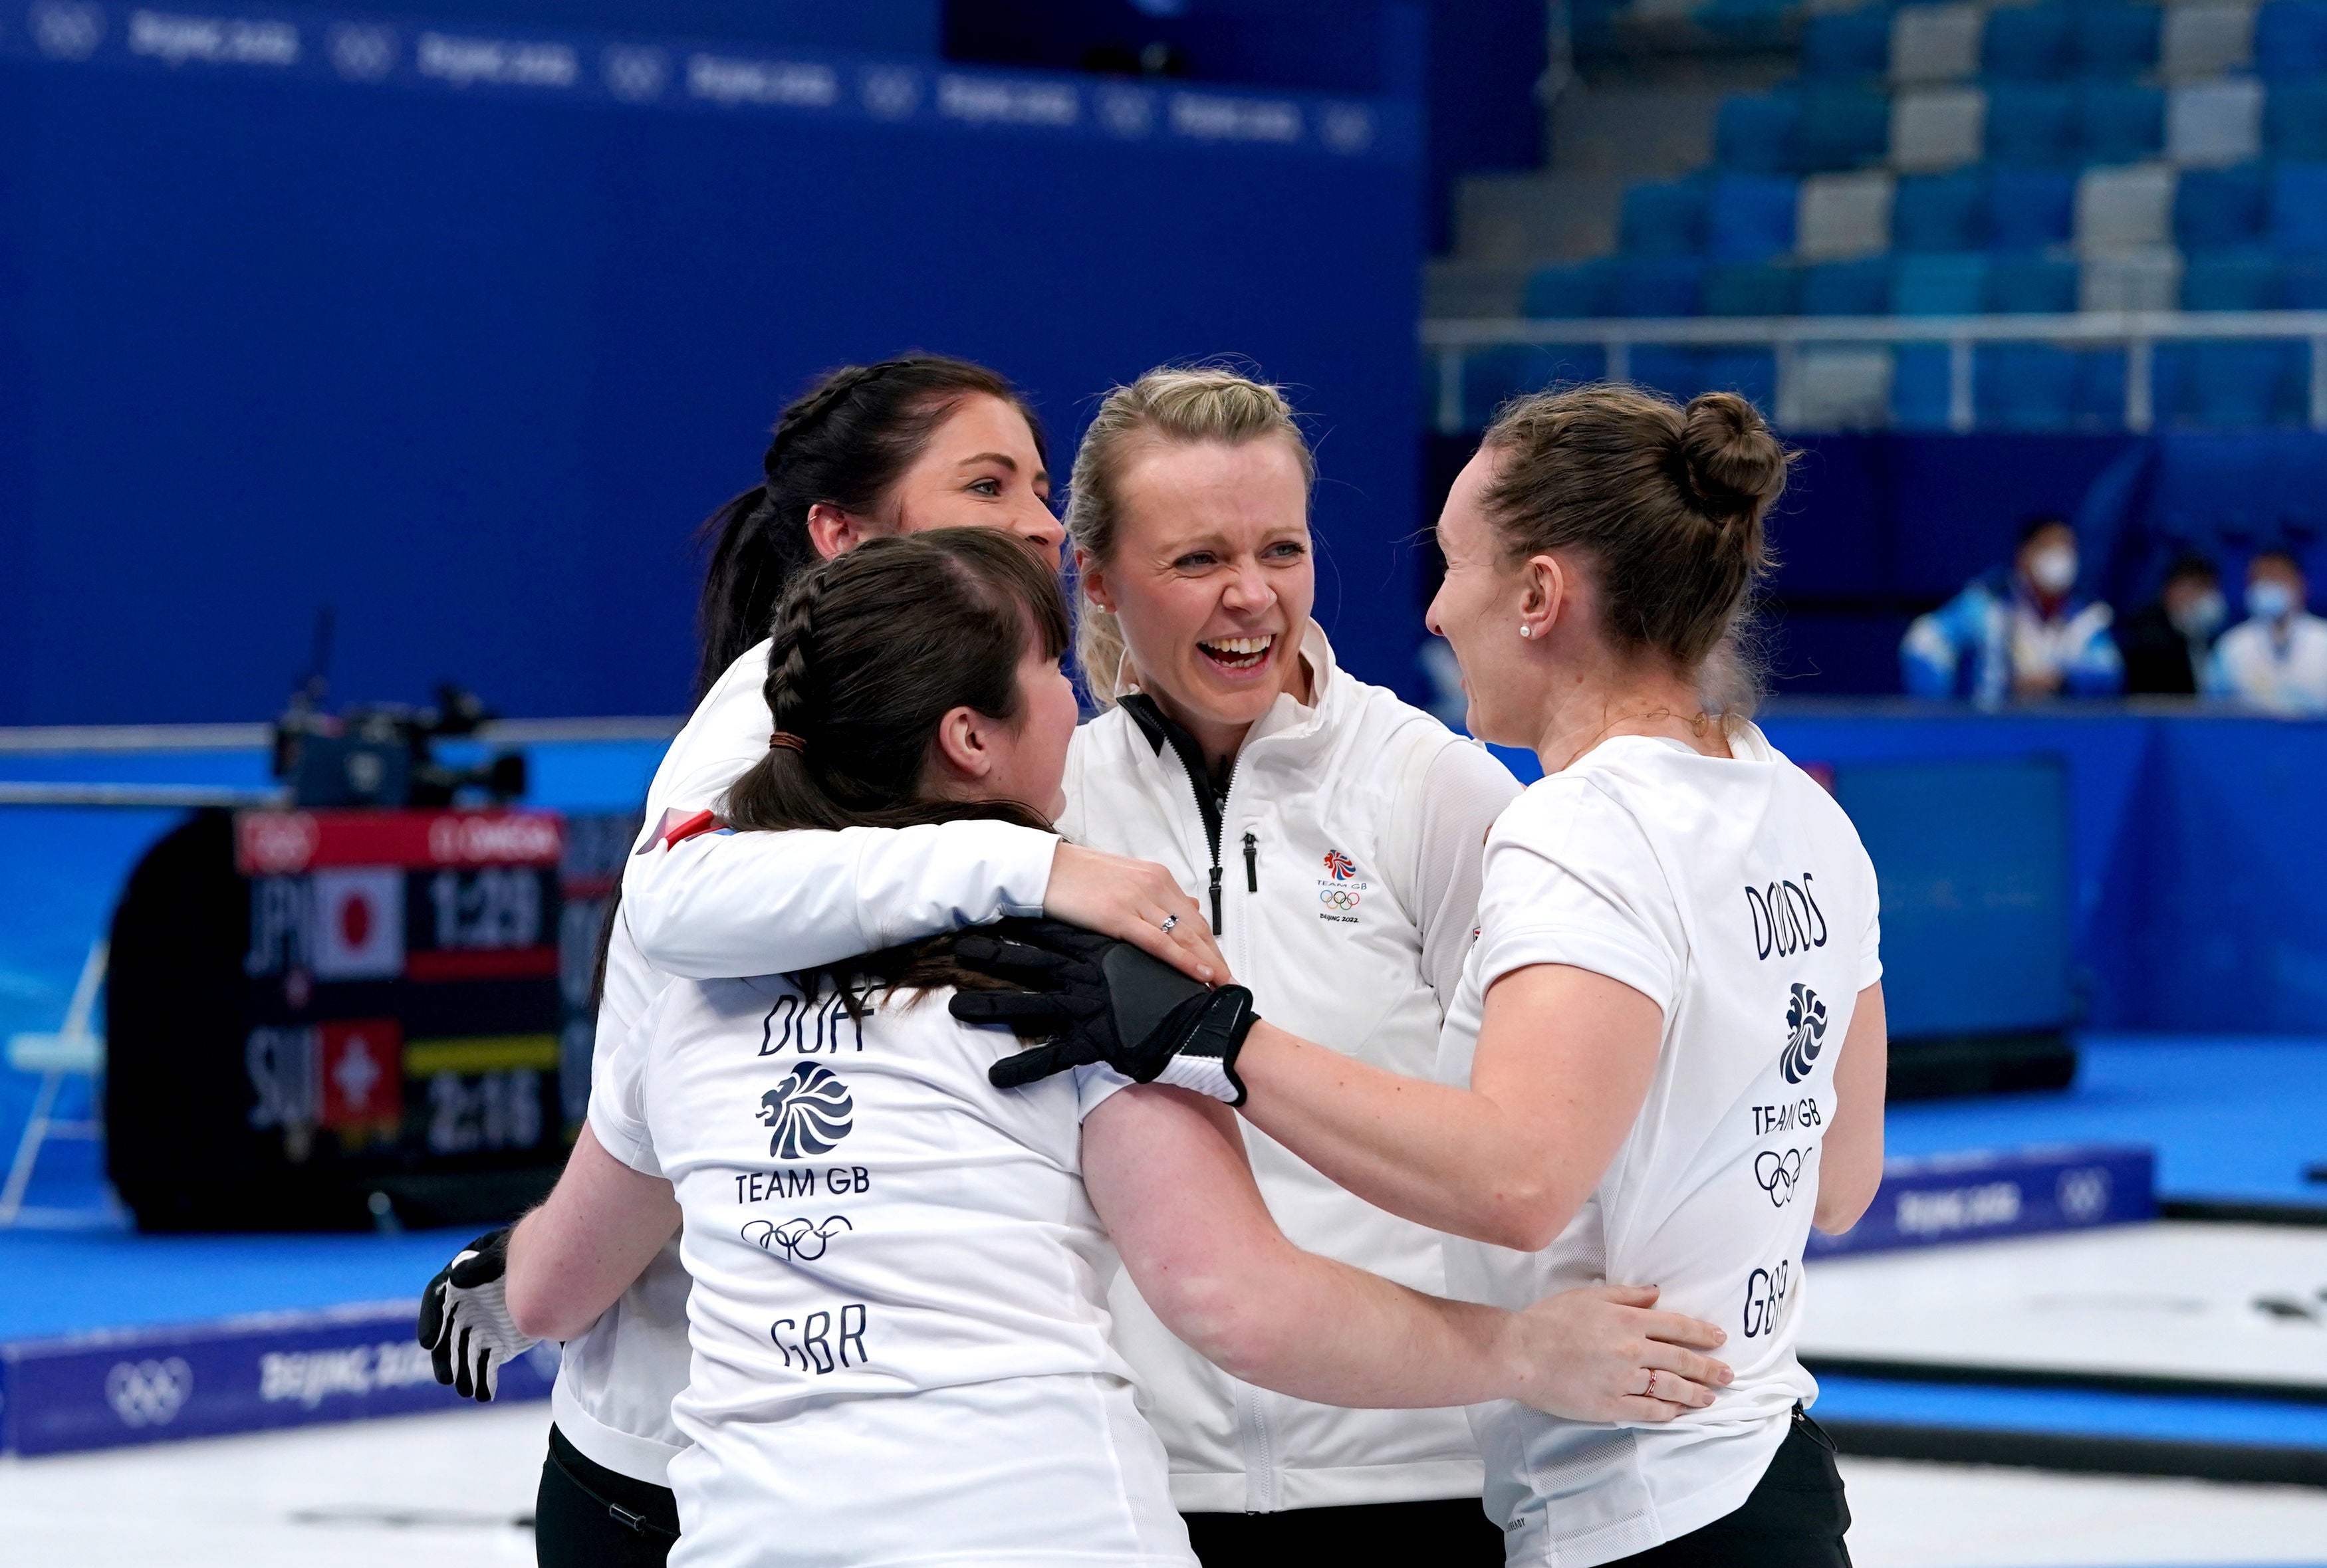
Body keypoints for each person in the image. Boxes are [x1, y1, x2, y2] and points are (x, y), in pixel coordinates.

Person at [496, 530, 1735, 1568]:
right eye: (1050, 671)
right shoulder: (1085, 973)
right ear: (973, 738)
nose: (1077, 701)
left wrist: (492, 1269)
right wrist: (1523, 1350)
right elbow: (1230, 1297)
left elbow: (554, 1285)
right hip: (1049, 1523)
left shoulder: (690, 976)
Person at [598, 366, 1546, 1561]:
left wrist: (1543, 1358)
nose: (1253, 596)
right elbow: (689, 901)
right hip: (1149, 1472)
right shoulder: (1032, 814)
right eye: (1198, 559)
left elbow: (1523, 1145)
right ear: (1093, 576)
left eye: (1284, 549)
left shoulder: (1432, 786)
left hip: (1417, 1465)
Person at [963, 387, 1889, 1567]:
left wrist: (1214, 1035)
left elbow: (1518, 1178)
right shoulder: (1802, 810)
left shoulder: (1548, 821)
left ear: (1542, 595)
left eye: (1453, 568)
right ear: (1098, 579)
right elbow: (1840, 1174)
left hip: (1601, 1481)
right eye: (1197, 557)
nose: (1439, 610)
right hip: (1739, 1462)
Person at [418, 354, 1224, 1568]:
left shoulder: (985, 762)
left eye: (1043, 486)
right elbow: (677, 906)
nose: (1042, 521)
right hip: (691, 1454)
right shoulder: (763, 718)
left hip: (789, 1455)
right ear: (843, 536)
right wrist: (1038, 874)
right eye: (988, 485)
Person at [1901, 514, 2124, 703]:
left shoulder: (2087, 616)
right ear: (2023, 555)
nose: (2060, 557)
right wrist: (1937, 710)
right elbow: (1924, 642)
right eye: (2049, 547)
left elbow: (2109, 672)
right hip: (1993, 734)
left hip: (2066, 738)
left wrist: (2060, 681)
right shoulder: (1985, 606)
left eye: (2067, 548)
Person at [2207, 549, 2327, 714]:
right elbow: (2213, 713)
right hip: (2249, 737)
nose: (2269, 586)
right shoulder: (2231, 646)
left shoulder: (2323, 640)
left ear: (2301, 584)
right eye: (2261, 579)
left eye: (2277, 578)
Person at [2116, 552, 2225, 697]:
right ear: (2172, 590)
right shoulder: (2146, 640)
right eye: (2199, 587)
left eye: (2210, 588)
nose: (2206, 597)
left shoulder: (2210, 636)